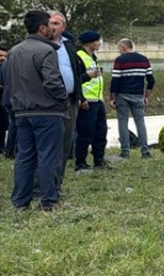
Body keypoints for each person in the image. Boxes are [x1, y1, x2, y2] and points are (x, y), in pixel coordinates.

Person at [8, 11, 69, 210]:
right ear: (42, 28)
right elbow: (53, 82)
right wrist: (62, 99)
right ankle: (48, 200)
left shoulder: (14, 51)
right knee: (48, 156)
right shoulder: (46, 51)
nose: (53, 28)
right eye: (50, 24)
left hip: (22, 112)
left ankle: (20, 201)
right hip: (47, 111)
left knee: (24, 157)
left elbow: (8, 81)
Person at [48, 11, 86, 190]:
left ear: (63, 27)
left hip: (70, 101)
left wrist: (79, 96)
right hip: (49, 102)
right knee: (49, 145)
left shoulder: (69, 47)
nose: (53, 27)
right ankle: (42, 185)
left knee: (65, 143)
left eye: (56, 23)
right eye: (50, 23)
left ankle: (57, 184)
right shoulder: (42, 46)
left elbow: (76, 73)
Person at [108, 37, 155, 159]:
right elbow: (151, 80)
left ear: (123, 47)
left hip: (122, 95)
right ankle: (145, 151)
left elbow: (115, 81)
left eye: (119, 49)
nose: (119, 52)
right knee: (140, 122)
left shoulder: (119, 60)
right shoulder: (144, 59)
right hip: (138, 95)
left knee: (123, 122)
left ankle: (125, 152)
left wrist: (112, 98)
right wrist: (146, 96)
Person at [73, 30, 110, 171]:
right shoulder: (79, 56)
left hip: (97, 99)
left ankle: (99, 160)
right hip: (86, 100)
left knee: (101, 131)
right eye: (97, 41)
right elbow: (76, 79)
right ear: (90, 42)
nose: (100, 43)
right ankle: (80, 162)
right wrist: (81, 98)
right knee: (85, 133)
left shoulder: (93, 57)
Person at [0, 45, 9, 157]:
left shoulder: (7, 67)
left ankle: (2, 147)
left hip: (4, 100)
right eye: (0, 55)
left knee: (3, 125)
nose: (2, 58)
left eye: (4, 56)